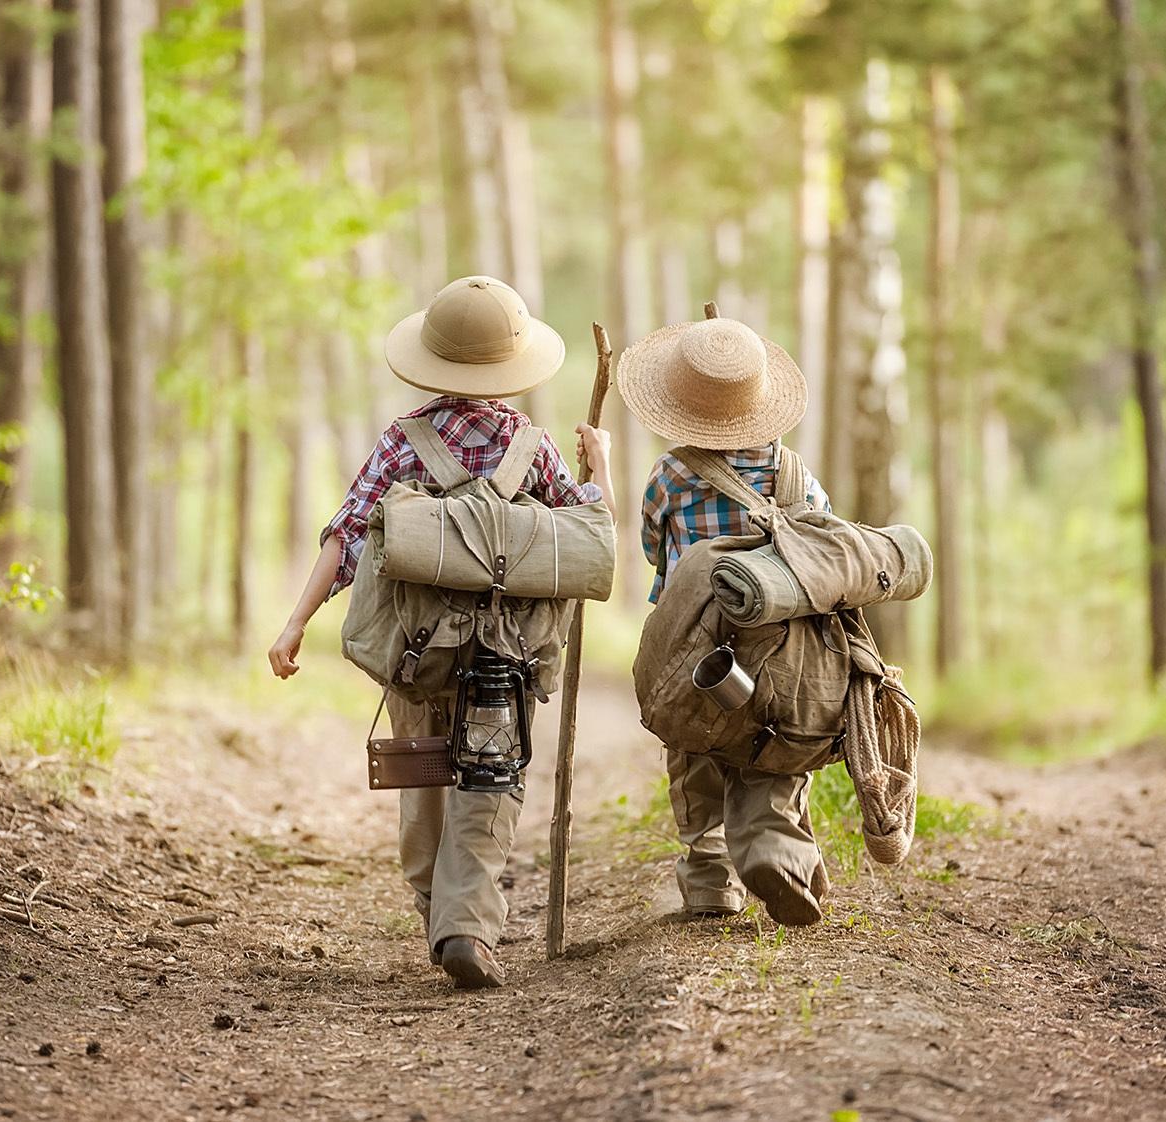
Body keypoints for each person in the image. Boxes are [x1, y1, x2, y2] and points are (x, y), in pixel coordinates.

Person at [268, 275, 615, 988]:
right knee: (490, 782)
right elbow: (590, 540)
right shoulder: (534, 448)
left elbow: (345, 536)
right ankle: (465, 926)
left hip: (413, 649)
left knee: (423, 773)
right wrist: (599, 467)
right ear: (510, 367)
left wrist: (295, 622)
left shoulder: (403, 440)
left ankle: (435, 905)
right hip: (505, 653)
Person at [616, 315, 833, 924]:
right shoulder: (796, 476)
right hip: (784, 644)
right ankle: (773, 847)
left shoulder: (671, 476)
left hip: (699, 644)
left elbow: (655, 552)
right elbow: (820, 543)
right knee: (778, 743)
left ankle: (710, 877)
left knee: (695, 747)